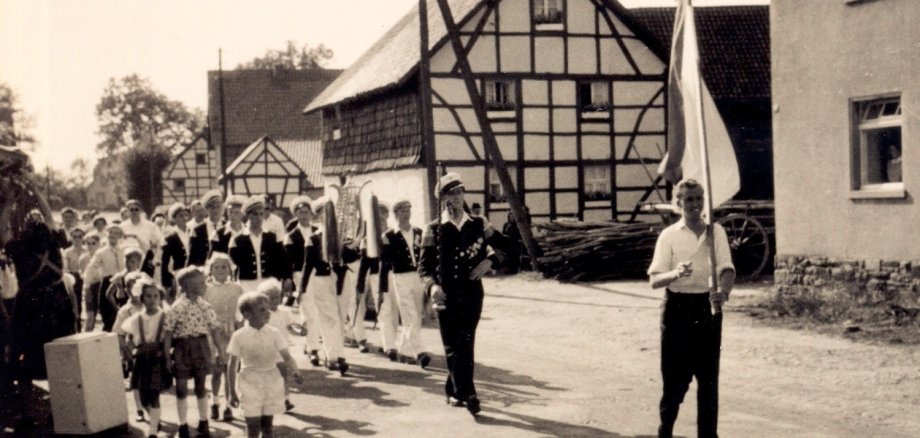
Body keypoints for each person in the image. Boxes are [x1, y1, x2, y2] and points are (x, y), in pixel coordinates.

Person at [418, 172, 513, 415]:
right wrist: (432, 287)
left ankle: (455, 390)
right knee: (454, 345)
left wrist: (490, 261)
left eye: (459, 192)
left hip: (472, 295)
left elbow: (508, 246)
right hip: (445, 296)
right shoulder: (433, 229)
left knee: (465, 342)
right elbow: (424, 267)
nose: (457, 198)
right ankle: (468, 393)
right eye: (451, 194)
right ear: (443, 200)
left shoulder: (479, 224)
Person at [647, 179, 735, 438]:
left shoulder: (715, 232)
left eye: (698, 198)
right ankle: (666, 430)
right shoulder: (669, 235)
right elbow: (654, 280)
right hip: (677, 309)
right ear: (678, 203)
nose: (695, 204)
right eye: (689, 200)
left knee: (708, 383)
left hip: (707, 309)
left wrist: (724, 293)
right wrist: (675, 273)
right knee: (675, 382)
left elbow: (727, 268)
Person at [227, 292, 301, 438]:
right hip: (249, 382)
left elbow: (287, 356)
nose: (267, 313)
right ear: (247, 315)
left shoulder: (274, 333)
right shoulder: (239, 336)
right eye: (261, 310)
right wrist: (232, 392)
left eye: (268, 309)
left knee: (267, 426)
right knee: (253, 428)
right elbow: (232, 364)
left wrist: (296, 371)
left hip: (271, 381)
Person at [164, 266, 225, 438]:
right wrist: (168, 357)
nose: (205, 285)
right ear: (188, 286)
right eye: (201, 283)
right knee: (181, 388)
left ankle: (203, 421)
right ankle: (182, 425)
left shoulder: (205, 306)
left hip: (201, 346)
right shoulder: (176, 307)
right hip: (182, 348)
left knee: (200, 386)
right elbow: (168, 332)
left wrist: (220, 350)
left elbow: (214, 329)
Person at [300, 196, 358, 375]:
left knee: (339, 318)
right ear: (318, 216)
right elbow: (307, 265)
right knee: (330, 318)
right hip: (322, 280)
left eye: (331, 212)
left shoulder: (342, 235)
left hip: (341, 279)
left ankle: (332, 353)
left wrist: (353, 247)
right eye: (324, 213)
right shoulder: (314, 238)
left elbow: (351, 258)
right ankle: (336, 357)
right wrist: (301, 289)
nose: (329, 216)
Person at [380, 199, 431, 368]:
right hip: (400, 277)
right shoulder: (388, 236)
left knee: (416, 313)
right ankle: (420, 352)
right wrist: (382, 288)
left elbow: (425, 256)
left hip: (418, 276)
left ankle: (405, 351)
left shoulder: (418, 232)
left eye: (408, 210)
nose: (406, 214)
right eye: (402, 211)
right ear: (396, 214)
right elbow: (385, 262)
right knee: (409, 314)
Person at [121, 278, 170, 438]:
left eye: (155, 296)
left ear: (160, 298)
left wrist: (167, 353)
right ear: (142, 298)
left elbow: (170, 339)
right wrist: (130, 350)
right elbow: (128, 337)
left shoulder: (165, 317)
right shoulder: (135, 319)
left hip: (157, 358)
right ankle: (155, 419)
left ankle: (153, 431)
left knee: (154, 394)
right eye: (148, 296)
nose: (152, 300)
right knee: (143, 398)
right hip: (141, 360)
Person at [202, 253, 243, 422]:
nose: (220, 270)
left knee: (229, 370)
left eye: (224, 267)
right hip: (214, 333)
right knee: (216, 370)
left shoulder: (237, 288)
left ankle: (228, 405)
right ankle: (214, 402)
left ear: (230, 269)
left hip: (231, 331)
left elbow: (241, 309)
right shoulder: (206, 289)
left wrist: (239, 324)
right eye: (216, 267)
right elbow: (204, 312)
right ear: (210, 270)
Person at [355, 202, 398, 360]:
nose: (380, 216)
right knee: (384, 310)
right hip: (376, 276)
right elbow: (364, 265)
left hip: (396, 274)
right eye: (376, 214)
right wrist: (360, 286)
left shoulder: (395, 234)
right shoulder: (367, 239)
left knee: (395, 310)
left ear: (387, 215)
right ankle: (390, 346)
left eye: (382, 213)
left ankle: (391, 342)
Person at [283, 195, 322, 365]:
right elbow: (288, 261)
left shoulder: (317, 231)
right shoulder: (292, 236)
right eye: (301, 212)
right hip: (301, 276)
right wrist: (290, 280)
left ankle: (310, 343)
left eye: (307, 212)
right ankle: (313, 348)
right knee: (309, 311)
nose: (305, 215)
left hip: (319, 275)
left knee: (319, 311)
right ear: (296, 215)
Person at [228, 197, 293, 294]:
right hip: (247, 282)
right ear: (248, 215)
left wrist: (288, 278)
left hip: (269, 280)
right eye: (255, 214)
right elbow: (232, 263)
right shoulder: (237, 240)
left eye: (261, 214)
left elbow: (283, 259)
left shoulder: (273, 237)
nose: (258, 218)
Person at [112, 271, 152, 423]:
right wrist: (126, 352)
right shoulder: (125, 310)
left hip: (150, 348)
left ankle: (151, 406)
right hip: (133, 350)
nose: (136, 289)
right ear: (127, 290)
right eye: (131, 286)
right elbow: (118, 333)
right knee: (137, 381)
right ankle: (140, 409)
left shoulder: (151, 304)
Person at [258, 279, 296, 411]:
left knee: (283, 375)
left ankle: (286, 399)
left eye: (277, 297)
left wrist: (300, 331)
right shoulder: (262, 314)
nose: (275, 300)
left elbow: (290, 327)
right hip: (266, 351)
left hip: (282, 351)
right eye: (271, 298)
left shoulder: (285, 312)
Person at [82, 223, 126, 332]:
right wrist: (86, 285)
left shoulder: (125, 250)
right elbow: (91, 268)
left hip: (123, 282)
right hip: (108, 282)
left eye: (116, 233)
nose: (113, 235)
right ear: (106, 234)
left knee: (123, 312)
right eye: (110, 232)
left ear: (120, 236)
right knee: (108, 314)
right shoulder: (101, 252)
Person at [104, 246, 145, 332]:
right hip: (123, 304)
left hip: (137, 304)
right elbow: (109, 294)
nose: (129, 264)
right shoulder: (120, 276)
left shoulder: (141, 276)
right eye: (127, 261)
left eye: (132, 262)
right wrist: (116, 307)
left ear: (139, 263)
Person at [120, 199, 165, 278]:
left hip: (145, 260)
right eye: (131, 209)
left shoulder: (150, 225)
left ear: (141, 211)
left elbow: (161, 242)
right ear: (127, 211)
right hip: (127, 261)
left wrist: (155, 257)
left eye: (136, 209)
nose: (134, 212)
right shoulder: (122, 226)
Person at [161, 203, 191, 301]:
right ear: (174, 218)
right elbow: (164, 262)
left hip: (193, 271)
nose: (184, 218)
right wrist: (166, 284)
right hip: (179, 272)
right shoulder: (170, 238)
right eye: (180, 216)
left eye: (186, 215)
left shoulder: (193, 232)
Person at [189, 190, 224, 267]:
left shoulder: (228, 226)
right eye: (212, 207)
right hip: (204, 271)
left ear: (222, 208)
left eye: (218, 207)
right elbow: (192, 258)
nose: (215, 210)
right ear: (206, 209)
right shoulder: (197, 230)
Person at [62, 225, 88, 324]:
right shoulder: (67, 252)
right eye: (75, 236)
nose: (77, 239)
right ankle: (77, 319)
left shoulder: (87, 249)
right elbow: (66, 267)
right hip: (74, 276)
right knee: (76, 297)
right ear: (71, 238)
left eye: (80, 236)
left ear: (83, 237)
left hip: (86, 276)